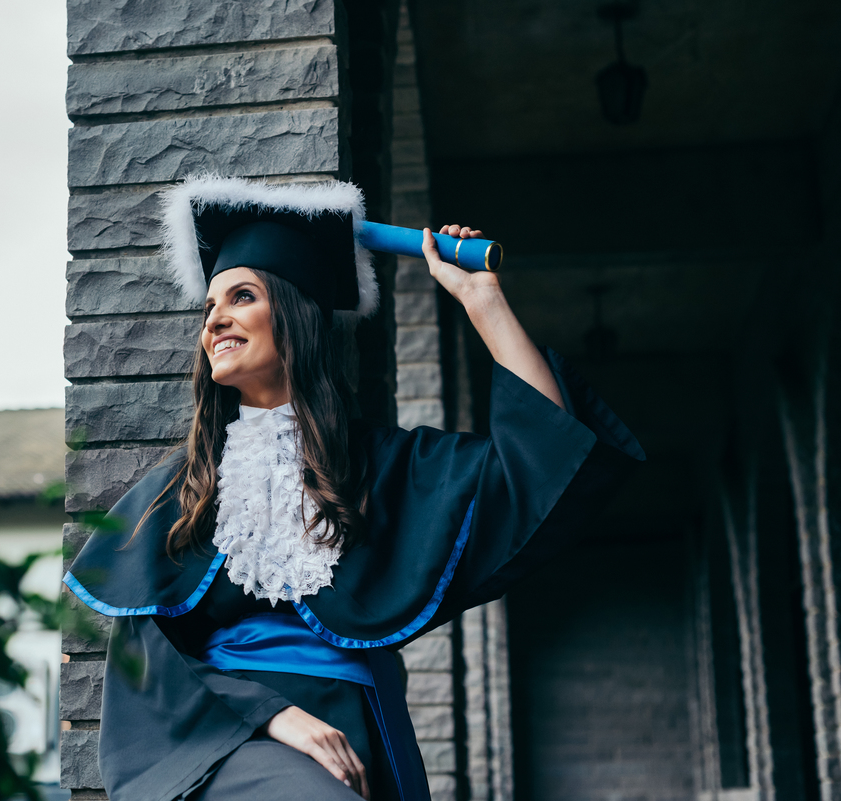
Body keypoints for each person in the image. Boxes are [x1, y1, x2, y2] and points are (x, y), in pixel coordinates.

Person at [64, 175, 645, 801]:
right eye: (209, 309)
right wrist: (272, 716)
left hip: (360, 730)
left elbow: (539, 463)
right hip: (222, 735)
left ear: (294, 313)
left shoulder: (384, 465)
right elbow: (145, 651)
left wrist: (484, 303)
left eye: (241, 297)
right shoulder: (184, 487)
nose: (216, 321)